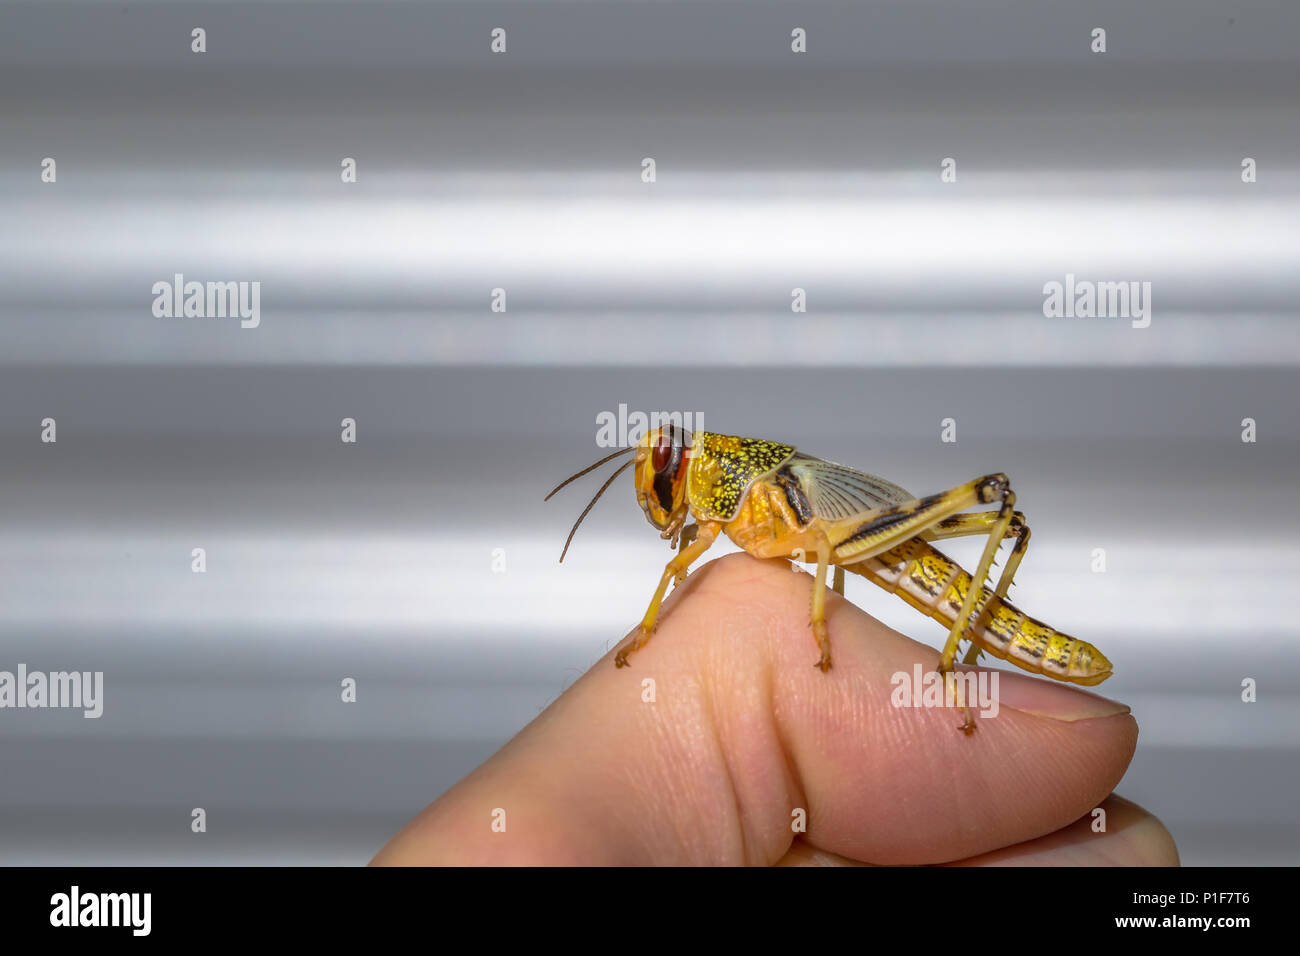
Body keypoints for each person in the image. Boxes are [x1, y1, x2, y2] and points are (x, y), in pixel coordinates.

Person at [372, 553, 1177, 866]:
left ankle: (959, 667)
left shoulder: (760, 491)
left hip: (879, 533)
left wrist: (820, 632)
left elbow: (823, 552)